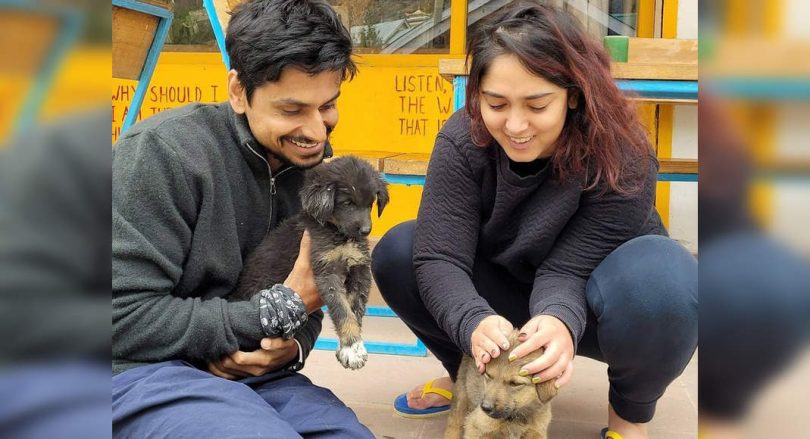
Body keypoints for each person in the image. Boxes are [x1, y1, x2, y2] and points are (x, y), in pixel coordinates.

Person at [371, 3, 697, 439]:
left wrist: (559, 319)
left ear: (574, 95)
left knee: (667, 285)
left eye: (537, 104)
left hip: (602, 300)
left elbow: (568, 269)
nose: (516, 125)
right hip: (504, 294)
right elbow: (438, 256)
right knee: (400, 252)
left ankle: (629, 416)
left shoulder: (624, 154)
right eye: (497, 103)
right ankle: (477, 380)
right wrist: (473, 321)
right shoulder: (462, 141)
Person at [112, 0, 374, 437]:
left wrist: (288, 348)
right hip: (136, 372)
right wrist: (265, 318)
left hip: (256, 377)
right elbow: (116, 318)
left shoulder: (319, 175)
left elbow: (307, 298)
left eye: (328, 105)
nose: (316, 132)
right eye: (292, 110)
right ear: (238, 90)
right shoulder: (161, 155)